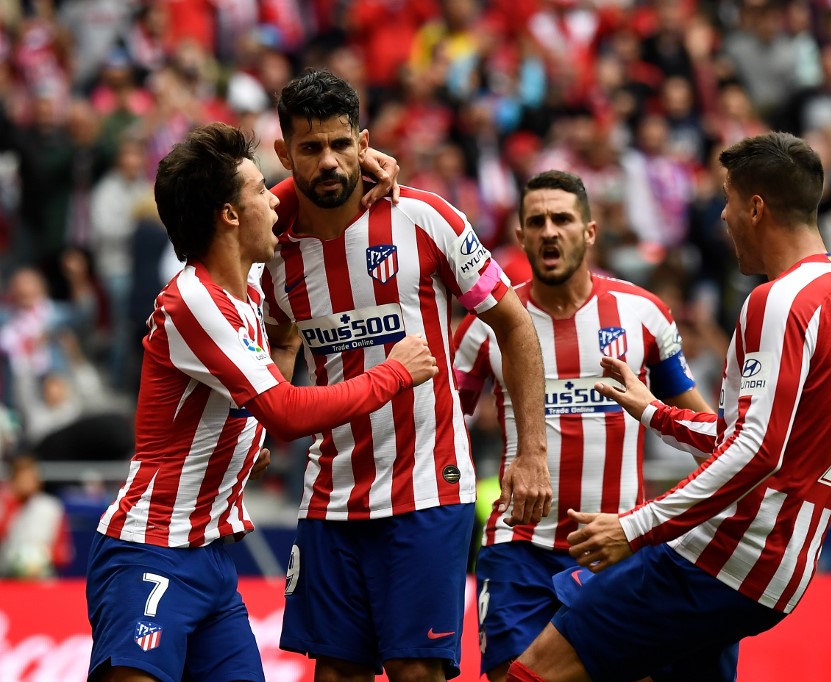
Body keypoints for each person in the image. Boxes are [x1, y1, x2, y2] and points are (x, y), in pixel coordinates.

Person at [506, 131, 831, 682]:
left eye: (728, 200)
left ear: (756, 208)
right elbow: (756, 436)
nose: (722, 217)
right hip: (780, 568)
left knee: (536, 671)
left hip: (724, 553)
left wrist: (634, 527)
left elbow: (757, 450)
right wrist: (653, 410)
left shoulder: (778, 301)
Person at [84, 121, 438, 682]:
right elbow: (287, 413)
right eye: (258, 192)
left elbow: (289, 193)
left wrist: (357, 162)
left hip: (212, 560)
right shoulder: (194, 301)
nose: (273, 204)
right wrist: (394, 372)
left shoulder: (243, 287)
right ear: (228, 215)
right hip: (150, 551)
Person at [264, 69, 551, 682]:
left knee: (416, 671)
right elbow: (283, 335)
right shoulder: (273, 250)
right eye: (310, 148)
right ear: (286, 154)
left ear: (363, 143)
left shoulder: (424, 218)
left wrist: (531, 451)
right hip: (330, 495)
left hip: (428, 486)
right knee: (336, 673)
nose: (330, 161)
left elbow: (515, 325)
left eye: (342, 144)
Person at [452, 169, 713, 682]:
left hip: (616, 547)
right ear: (521, 236)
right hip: (518, 549)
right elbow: (446, 433)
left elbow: (705, 429)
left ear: (589, 232)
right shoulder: (486, 325)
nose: (550, 231)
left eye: (563, 219)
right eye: (537, 221)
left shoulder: (643, 314)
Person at [0, 453, 72, 578]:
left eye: (31, 478)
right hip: (6, 577)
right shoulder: (3, 504)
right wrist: (13, 505)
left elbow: (64, 553)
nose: (27, 483)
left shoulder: (51, 507)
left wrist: (40, 558)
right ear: (13, 480)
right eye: (22, 479)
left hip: (43, 578)